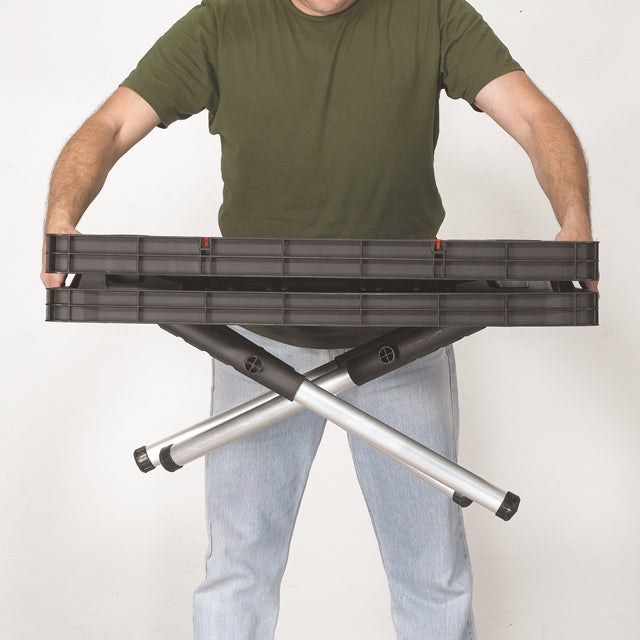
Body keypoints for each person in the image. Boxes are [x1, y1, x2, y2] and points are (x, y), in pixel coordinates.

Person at [40, 0, 597, 638]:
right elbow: (112, 124)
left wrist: (573, 217)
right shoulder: (224, 21)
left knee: (432, 573)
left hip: (405, 340)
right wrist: (62, 217)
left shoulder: (432, 14)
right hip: (255, 345)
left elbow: (533, 116)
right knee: (238, 569)